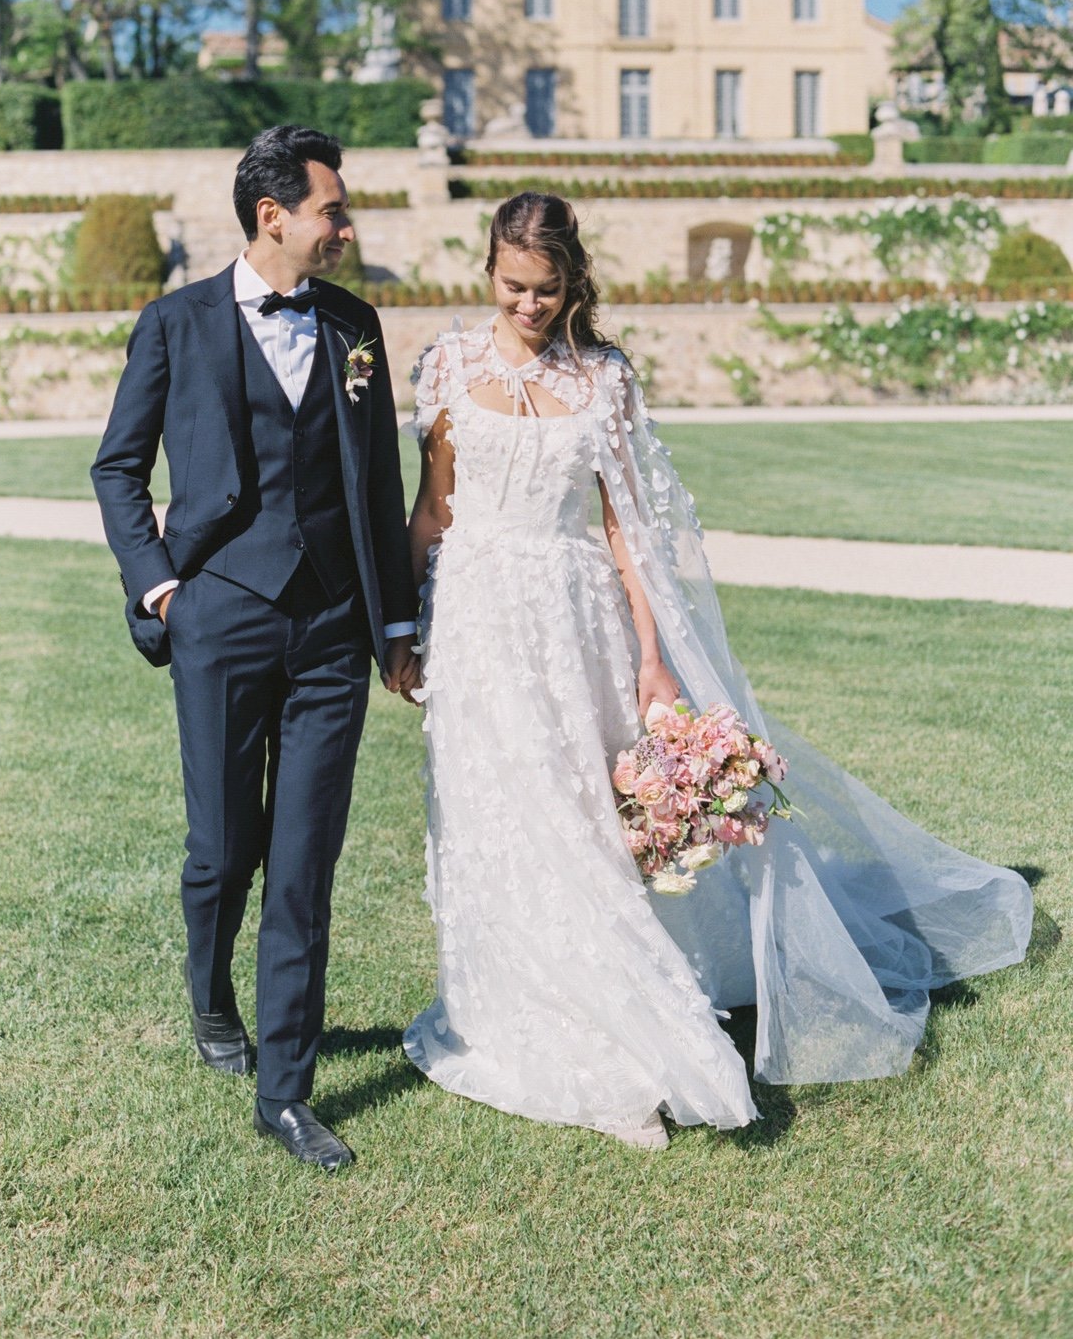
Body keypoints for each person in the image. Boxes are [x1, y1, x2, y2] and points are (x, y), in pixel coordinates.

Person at [402, 190, 1032, 1149]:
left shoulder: (604, 378)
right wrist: (406, 630)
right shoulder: (445, 366)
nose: (528, 304)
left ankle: (626, 1014)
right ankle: (513, 1011)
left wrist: (654, 659)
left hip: (580, 623)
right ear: (488, 270)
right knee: (499, 819)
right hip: (478, 625)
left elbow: (628, 530)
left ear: (572, 281)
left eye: (547, 288)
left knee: (584, 820)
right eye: (512, 285)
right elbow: (432, 510)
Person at [92, 125, 419, 1172]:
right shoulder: (175, 324)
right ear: (273, 215)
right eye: (334, 207)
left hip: (331, 628)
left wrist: (396, 624)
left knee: (305, 860)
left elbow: (377, 488)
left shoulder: (355, 327)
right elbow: (117, 469)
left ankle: (286, 1087)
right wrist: (164, 589)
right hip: (220, 618)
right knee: (224, 846)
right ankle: (209, 993)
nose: (347, 225)